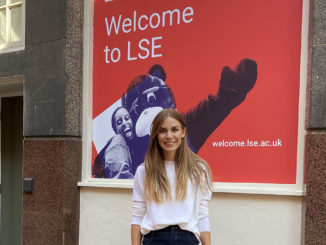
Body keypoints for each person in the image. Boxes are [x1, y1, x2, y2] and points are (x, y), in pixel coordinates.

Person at [131, 108, 213, 245]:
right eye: (162, 130)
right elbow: (137, 215)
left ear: (183, 132)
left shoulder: (199, 169)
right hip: (154, 240)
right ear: (155, 134)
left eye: (174, 129)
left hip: (187, 239)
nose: (169, 135)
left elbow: (202, 213)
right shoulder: (144, 171)